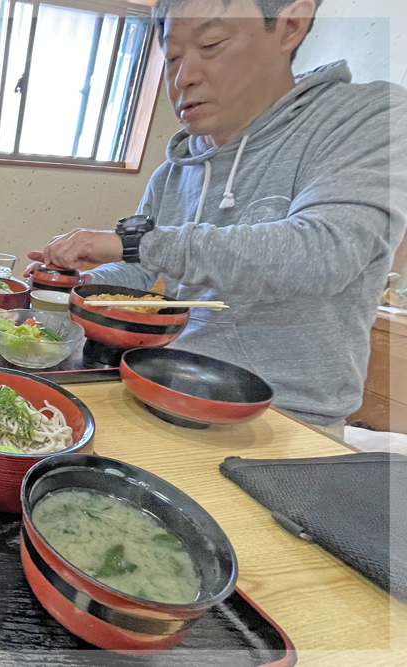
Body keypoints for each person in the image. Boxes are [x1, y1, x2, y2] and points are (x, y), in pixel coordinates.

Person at [26, 0, 407, 431]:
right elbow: (142, 268)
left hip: (288, 420)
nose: (182, 77)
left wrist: (134, 240)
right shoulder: (174, 171)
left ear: (290, 26)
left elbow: (326, 253)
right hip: (165, 384)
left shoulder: (368, 117)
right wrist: (77, 283)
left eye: (211, 44)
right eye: (171, 57)